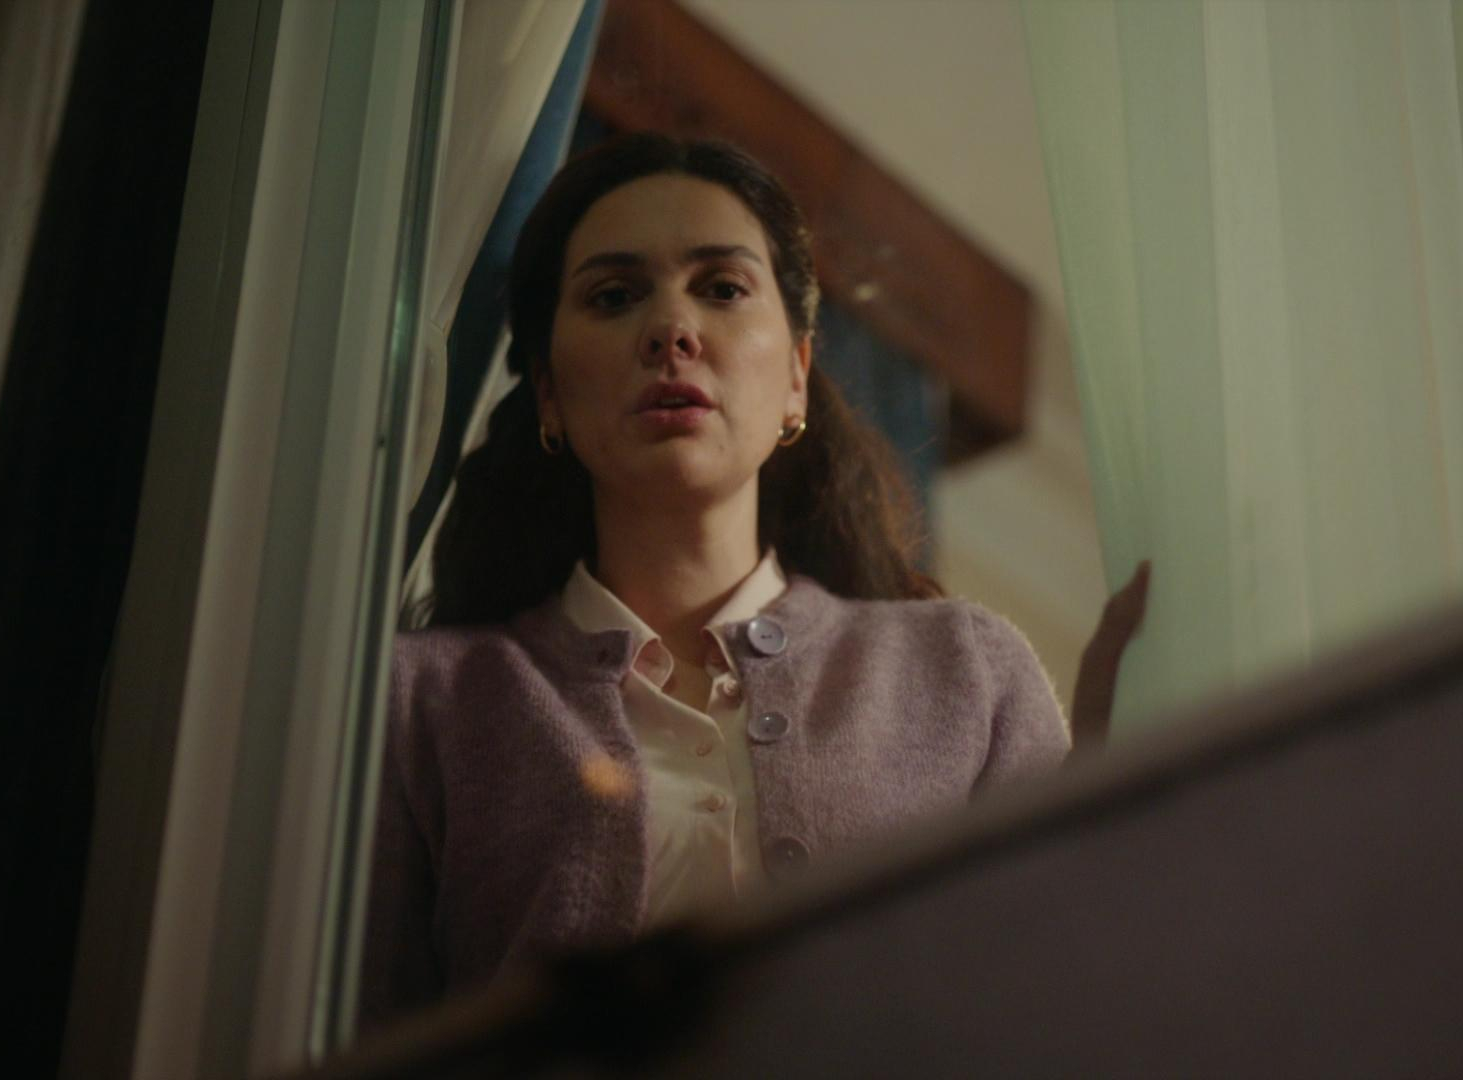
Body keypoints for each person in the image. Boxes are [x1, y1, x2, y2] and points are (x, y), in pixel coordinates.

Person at [360, 133, 1125, 1028]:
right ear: (549, 396)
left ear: (798, 374)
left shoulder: (965, 672)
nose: (671, 330)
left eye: (722, 289)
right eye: (614, 296)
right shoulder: (424, 701)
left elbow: (1062, 1005)